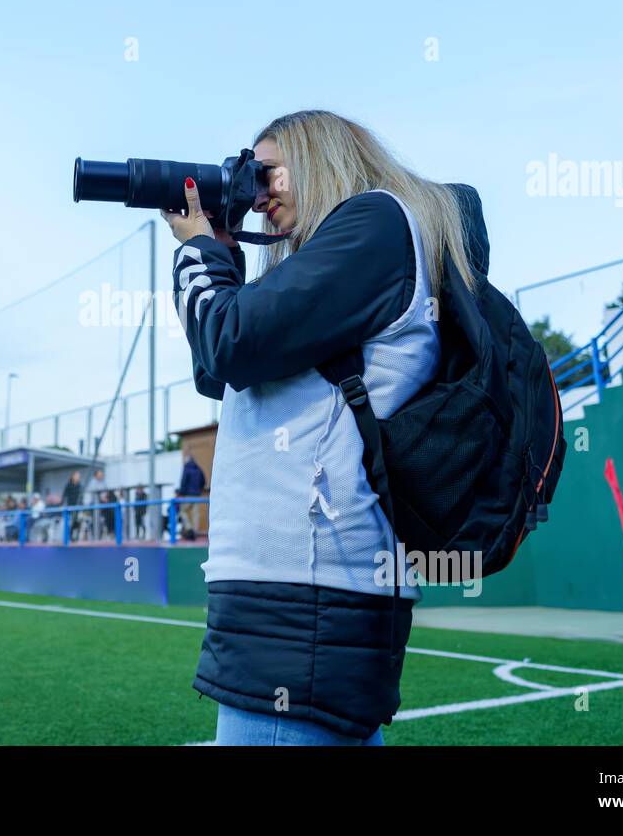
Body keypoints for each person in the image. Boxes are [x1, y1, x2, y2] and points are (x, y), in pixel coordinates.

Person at [162, 109, 484, 747]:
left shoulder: (377, 220)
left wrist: (197, 249)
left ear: (321, 158)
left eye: (269, 170)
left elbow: (229, 344)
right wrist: (220, 251)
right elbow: (219, 367)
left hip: (305, 592)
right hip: (298, 588)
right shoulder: (343, 253)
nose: (259, 193)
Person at [175, 454, 207, 535]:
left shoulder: (186, 468)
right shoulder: (198, 468)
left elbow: (183, 481)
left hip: (188, 495)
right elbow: (203, 481)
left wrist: (181, 493)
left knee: (182, 511)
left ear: (188, 460)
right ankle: (195, 531)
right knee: (195, 513)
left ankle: (189, 529)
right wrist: (199, 489)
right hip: (197, 495)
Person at [61, 471, 83, 540]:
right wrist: (62, 504)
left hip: (78, 507)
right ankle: (69, 536)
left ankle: (76, 536)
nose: (78, 477)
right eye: (76, 476)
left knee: (78, 522)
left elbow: (81, 496)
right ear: (73, 476)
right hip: (70, 507)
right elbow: (64, 496)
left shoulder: (80, 485)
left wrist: (82, 505)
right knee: (70, 523)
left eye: (79, 476)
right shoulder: (68, 485)